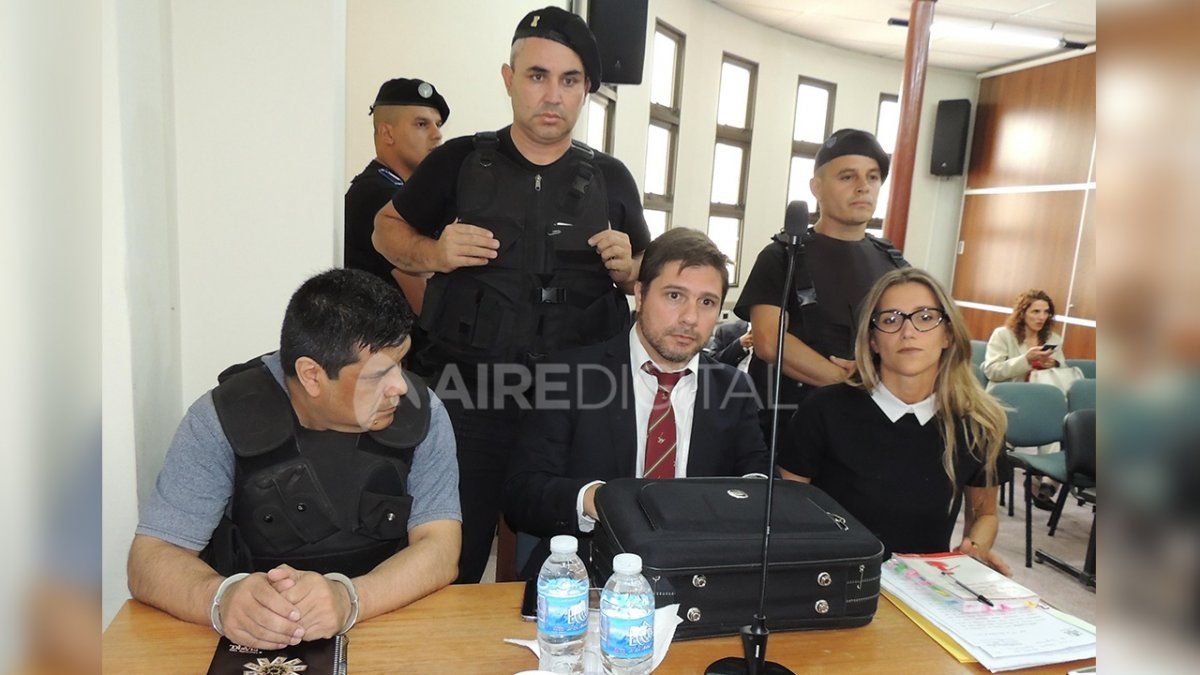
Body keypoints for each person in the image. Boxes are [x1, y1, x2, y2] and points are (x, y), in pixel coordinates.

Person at [372, 6, 650, 583]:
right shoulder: (458, 162)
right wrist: (436, 254)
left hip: (576, 409)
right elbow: (386, 229)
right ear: (508, 79)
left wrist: (630, 272)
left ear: (586, 92)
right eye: (537, 75)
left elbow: (647, 279)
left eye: (570, 80)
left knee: (569, 570)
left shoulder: (612, 178)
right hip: (469, 403)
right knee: (451, 560)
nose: (553, 94)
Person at [126, 269, 461, 650]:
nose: (401, 387)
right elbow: (150, 558)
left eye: (401, 363)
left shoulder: (423, 411)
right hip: (257, 641)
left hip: (387, 620)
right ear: (312, 376)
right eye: (379, 374)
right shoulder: (222, 418)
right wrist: (220, 600)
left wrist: (348, 598)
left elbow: (440, 547)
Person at [504, 228, 769, 577]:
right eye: (675, 296)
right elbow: (523, 493)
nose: (690, 318)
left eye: (707, 302)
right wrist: (598, 500)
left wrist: (750, 496)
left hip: (699, 574)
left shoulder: (733, 388)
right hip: (587, 573)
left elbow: (759, 479)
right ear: (641, 295)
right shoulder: (568, 374)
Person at [779, 267, 1011, 574]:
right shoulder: (823, 409)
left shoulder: (978, 423)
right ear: (872, 340)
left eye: (925, 317)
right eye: (890, 319)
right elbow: (788, 511)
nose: (908, 331)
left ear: (948, 334)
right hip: (832, 581)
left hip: (924, 587)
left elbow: (985, 514)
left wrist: (975, 550)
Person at [734, 128, 907, 445]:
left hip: (868, 427)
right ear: (816, 187)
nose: (862, 188)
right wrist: (853, 381)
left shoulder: (894, 264)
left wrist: (880, 374)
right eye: (847, 177)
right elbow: (770, 341)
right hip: (787, 427)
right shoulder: (782, 256)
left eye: (872, 177)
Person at [344, 77, 449, 318]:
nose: (437, 135)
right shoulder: (378, 196)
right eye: (422, 124)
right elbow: (427, 305)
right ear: (387, 133)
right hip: (391, 350)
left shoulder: (394, 190)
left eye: (438, 124)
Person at [983, 289, 1071, 509]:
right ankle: (1034, 482)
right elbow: (993, 371)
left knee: (1054, 428)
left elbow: (1062, 372)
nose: (1042, 317)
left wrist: (1054, 364)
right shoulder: (1003, 335)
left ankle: (1044, 482)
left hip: (1038, 400)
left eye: (1046, 312)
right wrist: (1026, 360)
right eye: (1036, 311)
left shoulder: (1053, 339)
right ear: (1023, 313)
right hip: (1006, 400)